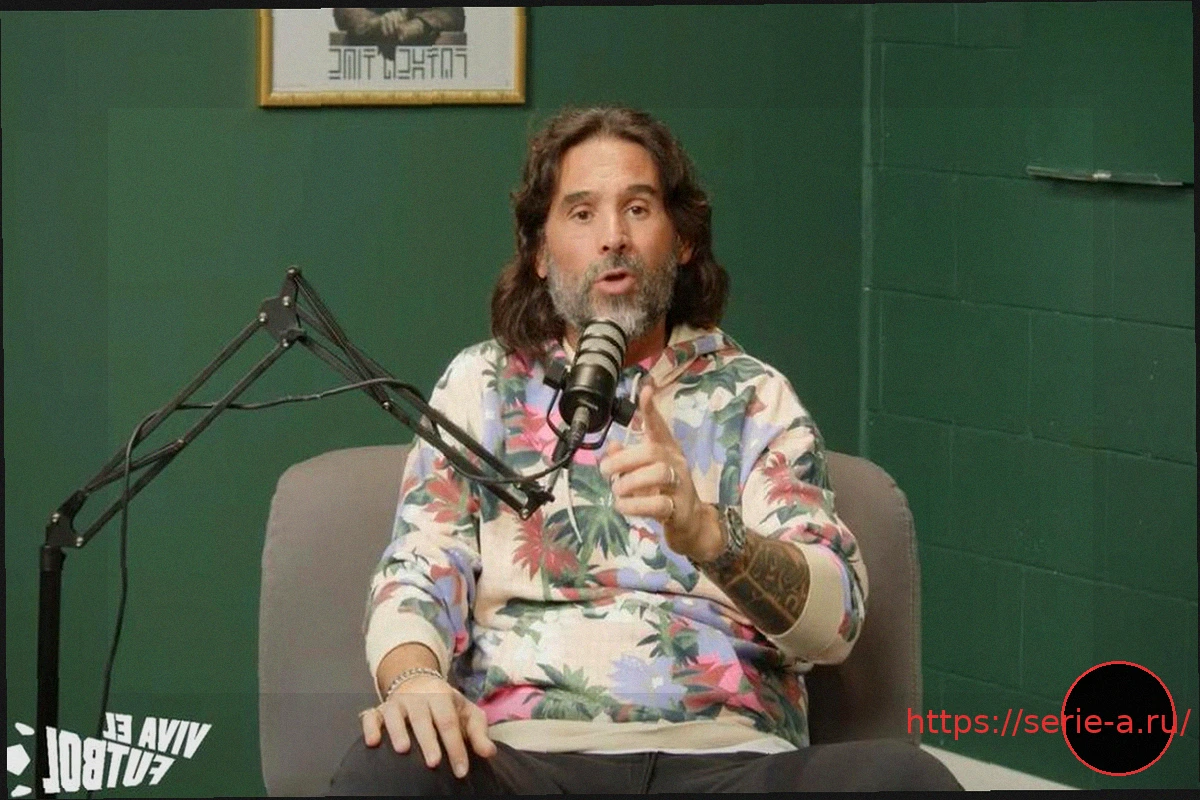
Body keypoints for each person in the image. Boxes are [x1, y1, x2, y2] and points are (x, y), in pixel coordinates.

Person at [330, 106, 961, 793]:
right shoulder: (482, 384)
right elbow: (420, 566)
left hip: (729, 758)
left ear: (682, 239)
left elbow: (834, 626)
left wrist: (710, 535)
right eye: (581, 213)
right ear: (540, 252)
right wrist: (415, 680)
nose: (613, 238)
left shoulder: (754, 396)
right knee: (385, 767)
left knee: (906, 779)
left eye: (637, 208)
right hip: (523, 755)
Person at [333, 8, 466, 58]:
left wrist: (421, 24)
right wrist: (376, 23)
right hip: (370, 72)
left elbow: (454, 12)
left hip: (426, 69)